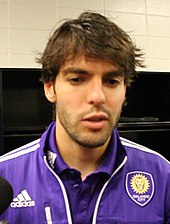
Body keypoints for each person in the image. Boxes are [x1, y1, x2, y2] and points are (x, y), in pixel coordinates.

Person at [0, 11, 169, 224]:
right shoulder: (5, 175)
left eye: (111, 81)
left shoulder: (162, 175)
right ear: (50, 87)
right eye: (77, 79)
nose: (97, 97)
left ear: (125, 89)